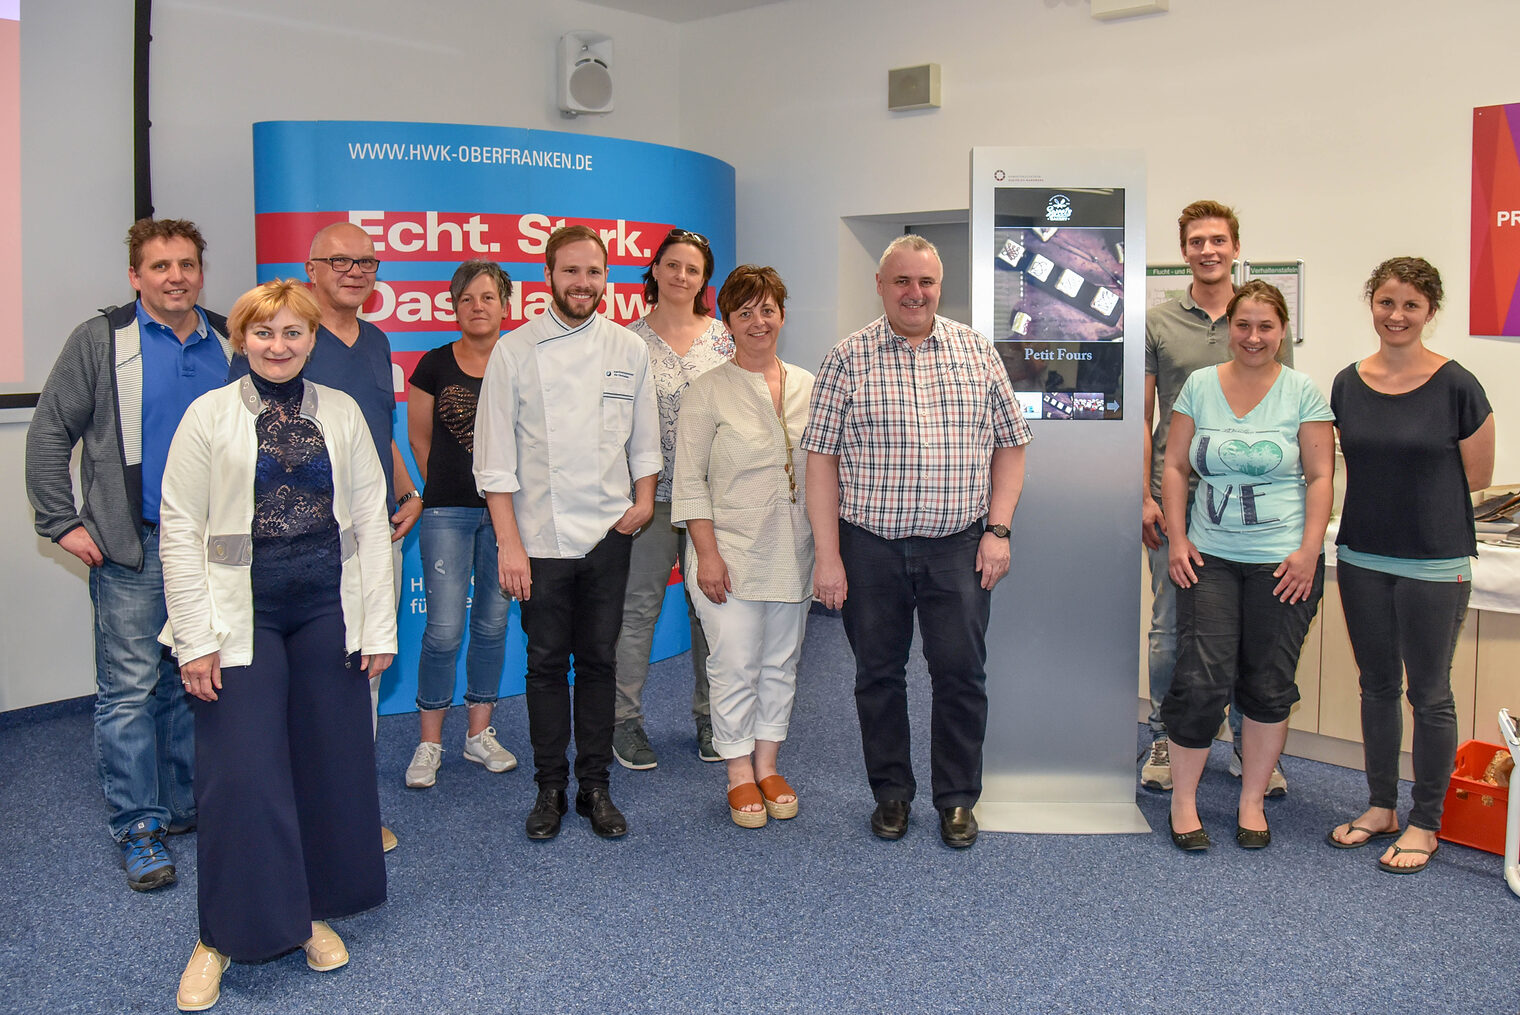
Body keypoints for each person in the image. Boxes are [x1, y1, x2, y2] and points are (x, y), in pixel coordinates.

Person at [160, 280, 394, 1011]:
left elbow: (369, 518)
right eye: (265, 333)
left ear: (312, 338)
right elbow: (179, 530)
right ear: (242, 338)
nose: (279, 345)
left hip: (328, 607)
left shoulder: (344, 412)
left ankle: (306, 913)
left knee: (330, 762)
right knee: (244, 774)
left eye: (294, 332)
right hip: (241, 616)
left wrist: (376, 626)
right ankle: (220, 936)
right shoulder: (208, 415)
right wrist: (195, 640)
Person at [803, 234, 1032, 849]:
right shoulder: (846, 358)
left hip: (958, 545)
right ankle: (893, 795)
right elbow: (820, 460)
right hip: (869, 544)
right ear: (880, 286)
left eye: (925, 282)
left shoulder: (976, 353)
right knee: (877, 675)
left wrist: (998, 530)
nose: (915, 293)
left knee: (960, 675)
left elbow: (1012, 442)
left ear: (940, 286)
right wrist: (828, 556)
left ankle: (957, 799)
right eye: (902, 281)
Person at [26, 218, 231, 892]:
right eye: (160, 264)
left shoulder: (230, 338)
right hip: (133, 546)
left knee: (185, 678)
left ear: (201, 271)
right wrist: (62, 521)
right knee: (129, 689)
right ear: (136, 275)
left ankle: (178, 802)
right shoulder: (101, 340)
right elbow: (51, 430)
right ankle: (138, 825)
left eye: (186, 264)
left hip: (209, 549)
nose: (176, 275)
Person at [229, 221, 422, 853]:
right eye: (339, 260)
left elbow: (380, 426)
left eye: (366, 261)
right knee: (296, 686)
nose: (355, 271)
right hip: (297, 546)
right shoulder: (284, 344)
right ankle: (294, 818)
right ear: (311, 268)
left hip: (372, 530)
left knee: (361, 671)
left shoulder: (376, 339)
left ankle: (351, 810)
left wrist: (407, 490)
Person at [474, 224, 660, 841]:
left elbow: (644, 437)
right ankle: (550, 787)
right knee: (546, 664)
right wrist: (509, 545)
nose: (583, 283)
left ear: (607, 279)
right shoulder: (515, 350)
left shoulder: (628, 349)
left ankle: (596, 787)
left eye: (593, 273)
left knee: (601, 662)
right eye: (571, 272)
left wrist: (643, 501)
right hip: (541, 537)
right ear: (548, 277)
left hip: (609, 532)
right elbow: (495, 459)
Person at [1325, 257, 1495, 874]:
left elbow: (1478, 476)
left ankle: (1426, 820)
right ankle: (1380, 807)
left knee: (1430, 694)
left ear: (1429, 312)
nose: (1396, 316)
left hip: (1434, 559)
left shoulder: (1458, 385)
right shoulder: (1346, 382)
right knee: (1375, 685)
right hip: (1363, 554)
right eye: (1386, 303)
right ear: (1372, 304)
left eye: (1411, 306)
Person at [1159, 280, 1333, 852]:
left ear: (1282, 331)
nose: (1253, 337)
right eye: (1243, 325)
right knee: (1200, 679)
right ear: (1228, 327)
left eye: (1266, 326)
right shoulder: (1200, 387)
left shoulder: (1303, 391)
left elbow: (1320, 477)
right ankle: (1184, 802)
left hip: (1282, 564)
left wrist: (1309, 551)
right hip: (1208, 558)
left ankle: (1251, 799)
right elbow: (1178, 467)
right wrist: (1178, 540)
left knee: (1268, 682)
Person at [1142, 200, 1295, 795]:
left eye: (1218, 240)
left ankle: (1245, 743)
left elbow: (1288, 413)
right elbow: (1145, 413)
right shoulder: (1158, 322)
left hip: (1253, 513)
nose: (1208, 250)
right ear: (1184, 251)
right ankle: (1163, 732)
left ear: (1234, 246)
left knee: (1250, 630)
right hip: (1173, 502)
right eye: (1197, 241)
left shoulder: (1257, 315)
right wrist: (1145, 496)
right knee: (1170, 626)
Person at [672, 265, 814, 828]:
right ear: (727, 323)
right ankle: (737, 772)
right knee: (734, 663)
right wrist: (706, 553)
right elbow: (688, 483)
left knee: (781, 661)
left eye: (767, 309)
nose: (759, 321)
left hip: (794, 550)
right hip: (726, 553)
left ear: (782, 312)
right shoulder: (706, 392)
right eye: (744, 312)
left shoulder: (808, 385)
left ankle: (769, 764)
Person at [613, 228, 733, 771]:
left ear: (704, 280)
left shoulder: (725, 339)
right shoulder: (626, 340)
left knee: (712, 610)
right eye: (673, 265)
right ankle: (625, 722)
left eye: (694, 269)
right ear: (655, 270)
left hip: (715, 500)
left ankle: (713, 718)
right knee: (638, 610)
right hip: (652, 498)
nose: (682, 276)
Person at [402, 261, 519, 789]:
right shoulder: (431, 364)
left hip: (508, 516)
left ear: (506, 306)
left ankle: (479, 735)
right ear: (454, 306)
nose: (478, 306)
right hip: (446, 511)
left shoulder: (520, 363)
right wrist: (443, 490)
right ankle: (430, 743)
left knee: (493, 626)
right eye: (468, 298)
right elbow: (421, 440)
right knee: (444, 630)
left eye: (488, 297)